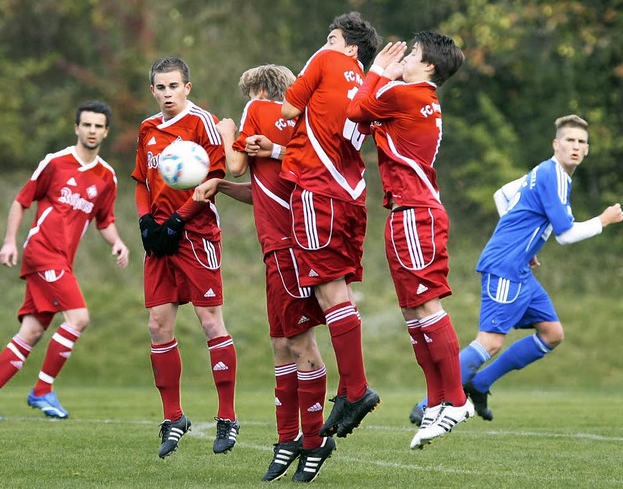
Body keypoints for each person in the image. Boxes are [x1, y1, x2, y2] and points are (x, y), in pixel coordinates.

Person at [411, 114, 623, 423]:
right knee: (490, 342)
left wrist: (526, 243)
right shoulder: (554, 175)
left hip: (519, 269)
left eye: (580, 142)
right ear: (556, 144)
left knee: (552, 333)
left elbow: (502, 195)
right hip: (506, 267)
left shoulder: (545, 171)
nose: (575, 147)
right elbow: (565, 234)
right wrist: (603, 220)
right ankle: (430, 403)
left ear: (587, 149)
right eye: (569, 140)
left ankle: (480, 384)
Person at [193, 64, 330, 483]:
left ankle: (313, 440)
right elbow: (260, 190)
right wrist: (219, 188)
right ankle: (288, 438)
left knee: (299, 342)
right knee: (279, 344)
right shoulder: (294, 126)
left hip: (288, 247)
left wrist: (224, 128)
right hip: (282, 245)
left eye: (248, 92)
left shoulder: (257, 111)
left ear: (256, 89)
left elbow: (234, 164)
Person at [346, 33, 473, 450]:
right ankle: (437, 400)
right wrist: (383, 81)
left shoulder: (409, 93)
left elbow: (357, 108)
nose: (405, 59)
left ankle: (456, 400)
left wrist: (378, 70)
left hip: (416, 213)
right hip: (404, 211)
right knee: (413, 313)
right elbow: (365, 119)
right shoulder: (411, 96)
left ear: (429, 66)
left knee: (428, 305)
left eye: (412, 55)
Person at [0, 101, 129, 421]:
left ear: (106, 131)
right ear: (76, 128)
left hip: (62, 260)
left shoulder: (106, 177)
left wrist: (117, 242)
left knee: (31, 332)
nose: (91, 131)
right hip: (42, 252)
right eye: (86, 125)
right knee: (78, 318)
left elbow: (104, 221)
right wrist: (9, 241)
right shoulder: (56, 163)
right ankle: (42, 390)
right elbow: (22, 201)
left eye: (98, 126)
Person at [279, 11, 382, 456]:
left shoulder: (324, 60)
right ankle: (350, 388)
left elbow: (287, 107)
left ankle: (356, 389)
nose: (327, 40)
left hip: (317, 193)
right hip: (352, 195)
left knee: (330, 293)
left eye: (334, 37)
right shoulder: (372, 86)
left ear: (351, 48)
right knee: (333, 291)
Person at [132, 57, 239, 459]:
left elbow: (216, 178)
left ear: (187, 88)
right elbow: (141, 181)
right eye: (160, 88)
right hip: (160, 240)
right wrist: (146, 222)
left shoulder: (203, 123)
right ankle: (173, 417)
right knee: (158, 325)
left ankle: (227, 416)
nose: (167, 94)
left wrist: (180, 218)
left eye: (174, 86)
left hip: (196, 235)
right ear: (153, 91)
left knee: (210, 321)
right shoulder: (148, 128)